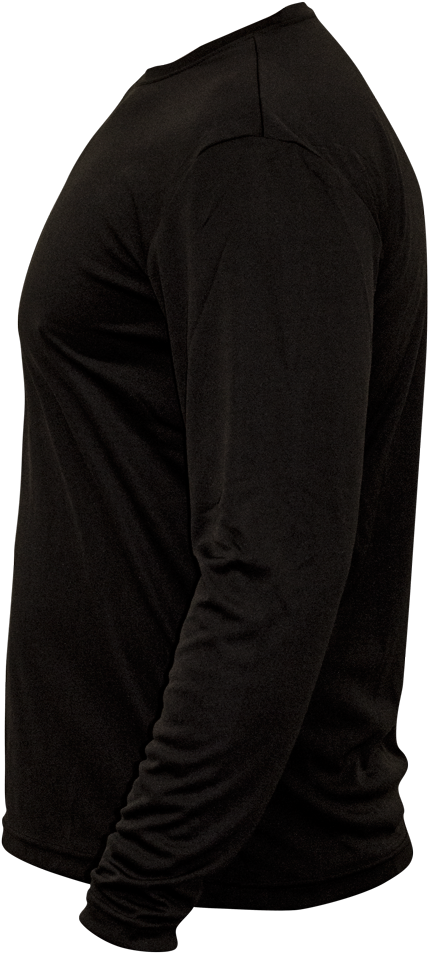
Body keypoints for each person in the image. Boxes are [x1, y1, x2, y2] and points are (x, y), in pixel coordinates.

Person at [4, 4, 424, 950]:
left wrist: (134, 903)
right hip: (148, 870)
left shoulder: (257, 143)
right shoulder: (208, 96)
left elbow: (277, 566)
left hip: (206, 897)